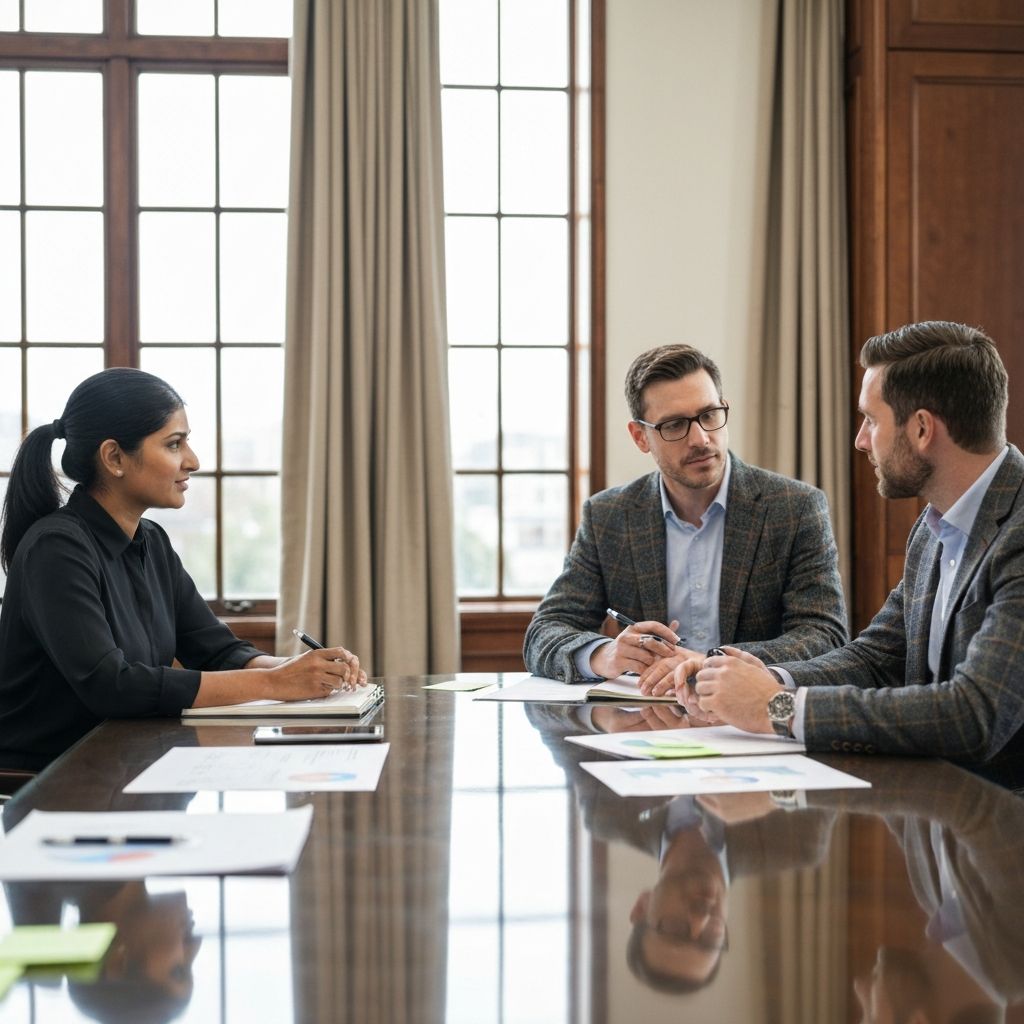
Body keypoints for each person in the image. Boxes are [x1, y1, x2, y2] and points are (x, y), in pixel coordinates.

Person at [688, 321, 1024, 763]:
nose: (860, 441)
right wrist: (769, 677)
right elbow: (875, 658)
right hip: (935, 810)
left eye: (870, 419)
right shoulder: (933, 526)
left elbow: (972, 713)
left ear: (922, 429)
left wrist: (775, 708)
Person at [0, 368, 365, 771]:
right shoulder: (56, 547)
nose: (192, 461)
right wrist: (275, 683)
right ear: (114, 457)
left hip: (126, 758)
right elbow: (112, 686)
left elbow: (219, 652)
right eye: (174, 444)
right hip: (50, 775)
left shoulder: (152, 541)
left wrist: (303, 670)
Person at [523, 344, 848, 686]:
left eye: (709, 415)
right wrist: (604, 654)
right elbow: (544, 632)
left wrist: (710, 664)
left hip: (753, 718)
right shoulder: (608, 517)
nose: (700, 438)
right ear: (640, 437)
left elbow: (825, 635)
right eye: (675, 425)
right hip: (644, 721)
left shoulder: (795, 508)